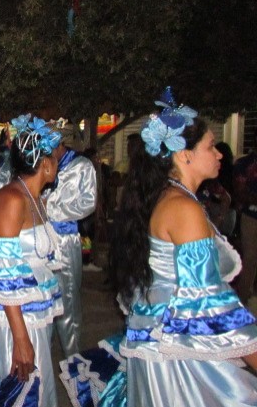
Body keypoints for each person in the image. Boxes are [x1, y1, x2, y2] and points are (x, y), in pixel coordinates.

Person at [61, 87, 257, 406]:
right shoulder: (183, 208)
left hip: (166, 342)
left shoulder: (171, 198)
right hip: (177, 354)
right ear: (184, 154)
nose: (220, 153)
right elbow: (209, 302)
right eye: (211, 146)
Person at [0, 114, 64, 406]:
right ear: (45, 164)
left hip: (33, 311)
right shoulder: (12, 200)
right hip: (13, 317)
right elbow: (5, 273)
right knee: (18, 389)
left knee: (36, 385)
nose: (59, 163)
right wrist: (21, 339)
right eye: (56, 158)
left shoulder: (35, 199)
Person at [44, 125, 97, 357]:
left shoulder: (82, 166)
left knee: (68, 299)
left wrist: (52, 209)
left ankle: (73, 357)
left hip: (65, 240)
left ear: (59, 145)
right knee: (43, 296)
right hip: (41, 239)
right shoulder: (42, 165)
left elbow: (88, 203)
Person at [233, 128, 257, 303]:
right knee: (250, 258)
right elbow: (239, 191)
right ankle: (243, 298)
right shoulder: (245, 164)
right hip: (251, 215)